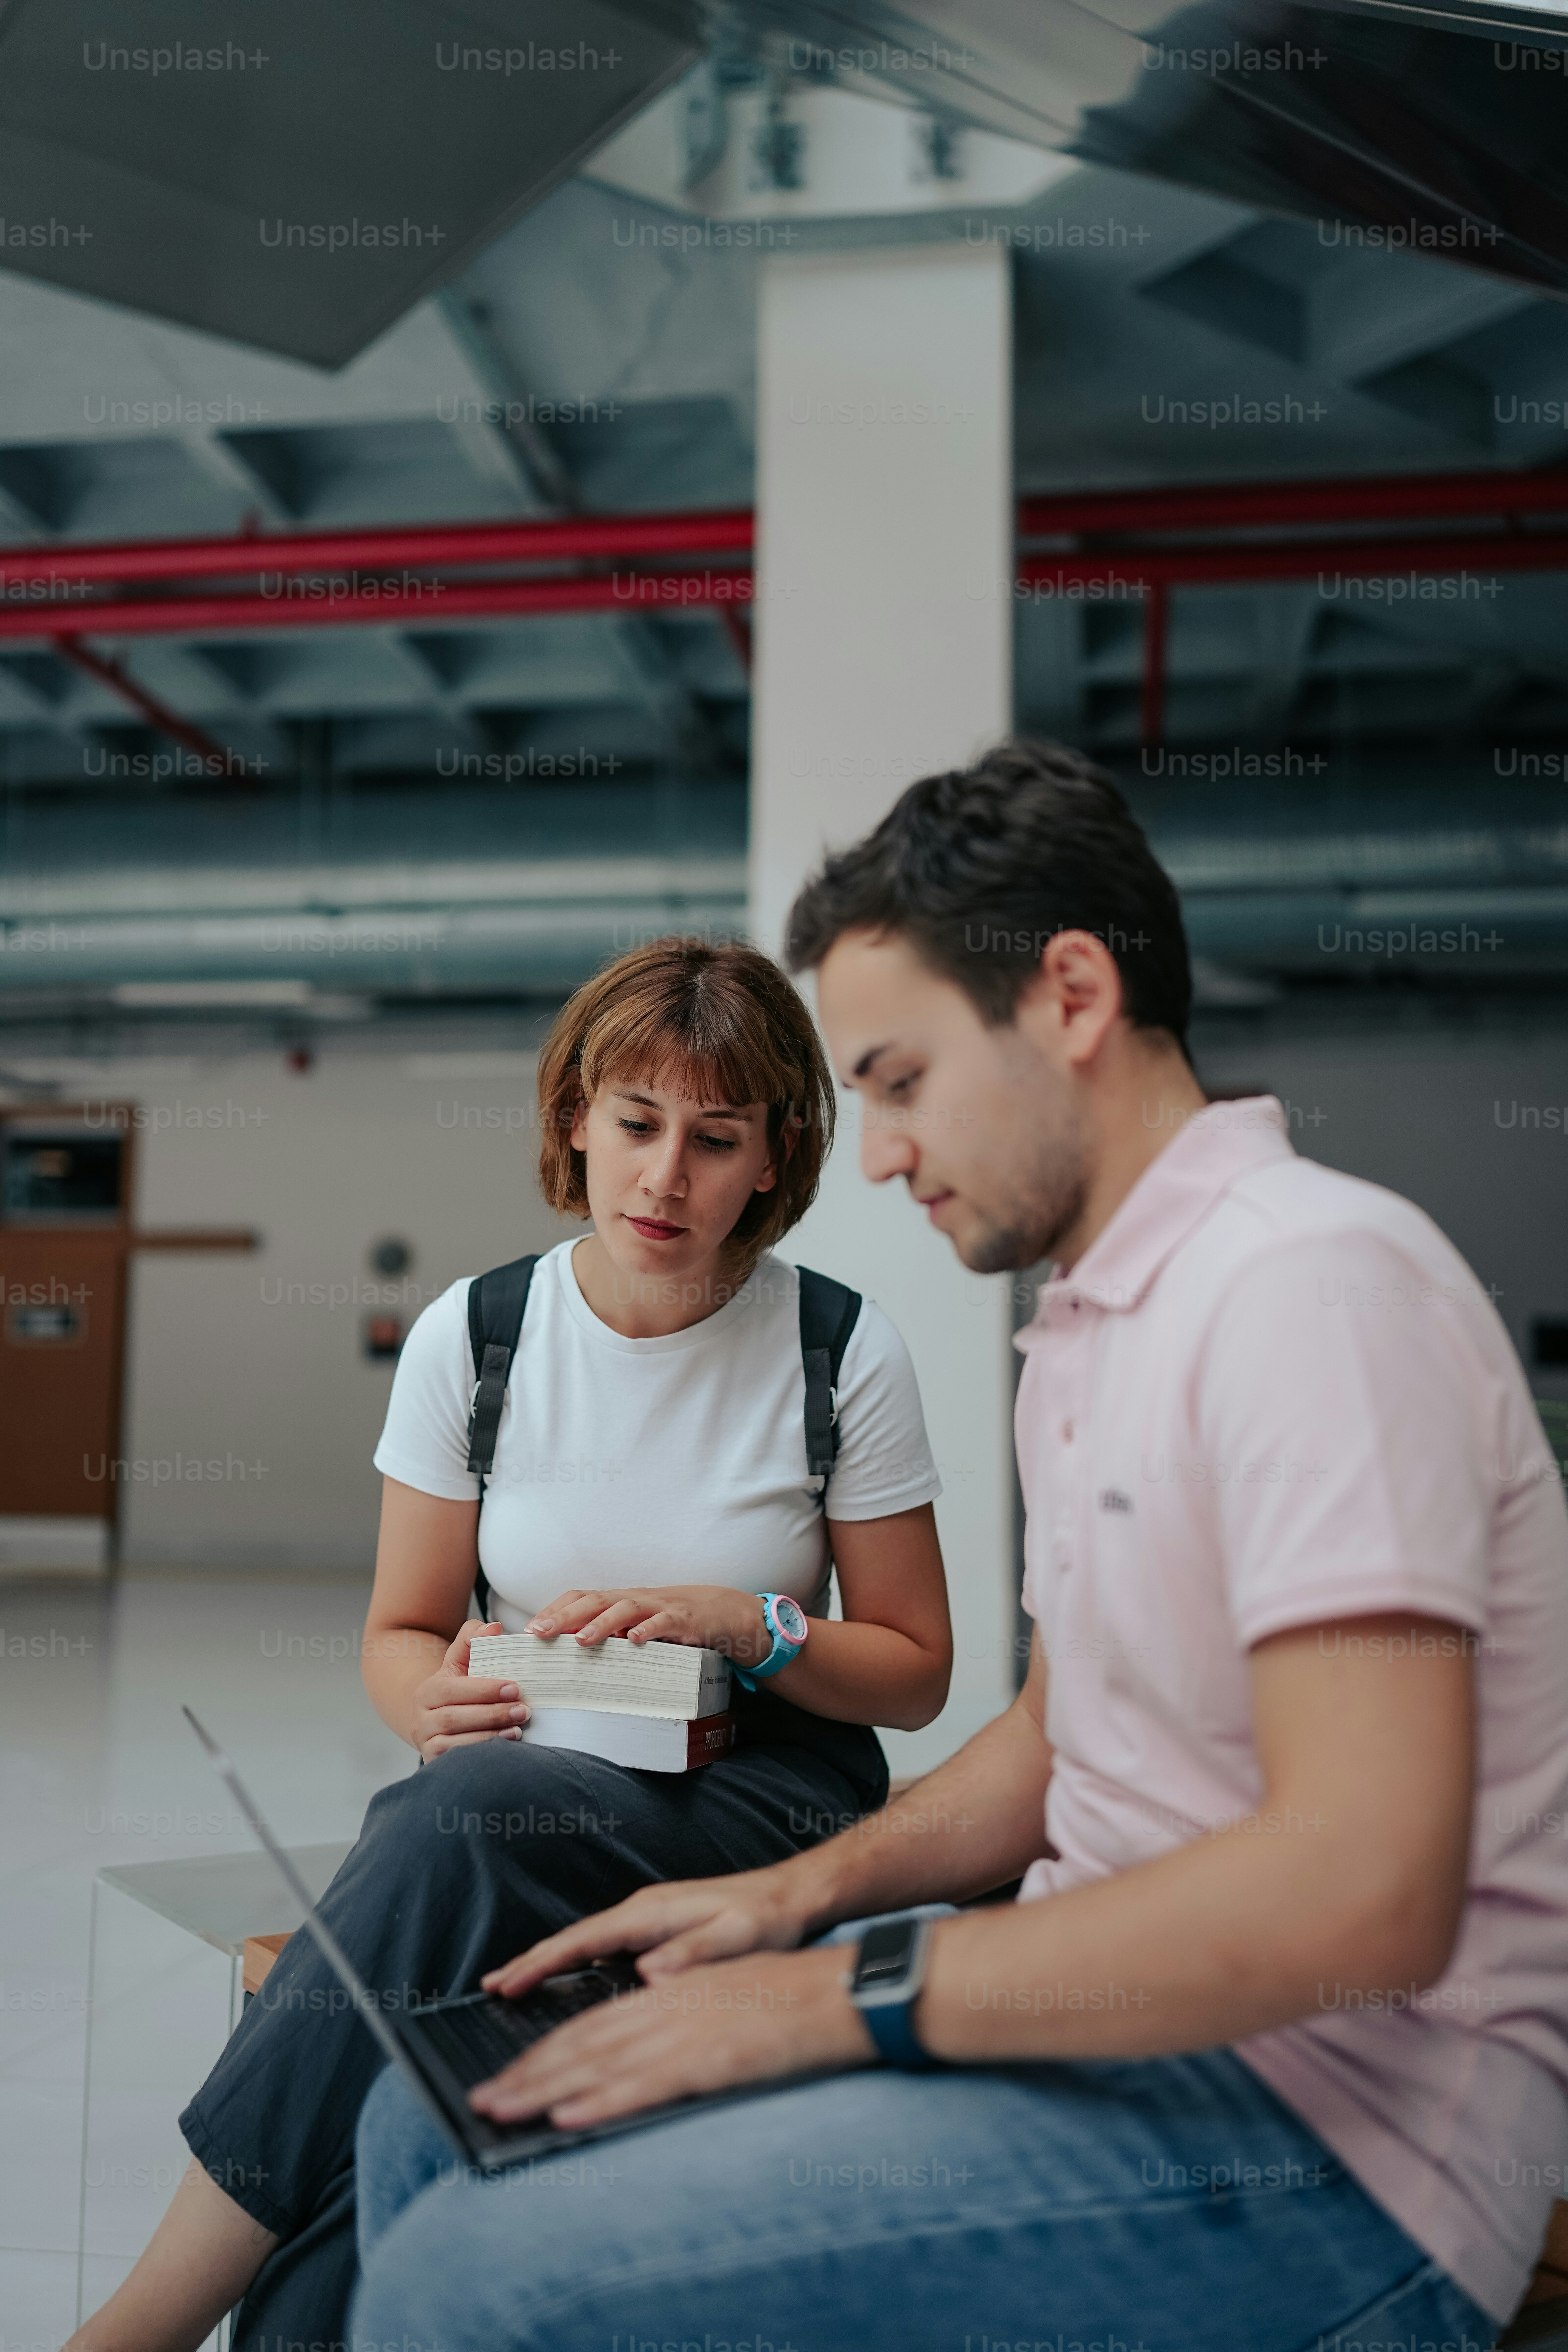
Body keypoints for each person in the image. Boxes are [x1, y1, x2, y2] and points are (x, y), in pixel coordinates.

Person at [352, 740, 1568, 2352]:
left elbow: (1364, 1894)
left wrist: (844, 1993)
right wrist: (790, 1902)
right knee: (432, 2118)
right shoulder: (1092, 1324)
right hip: (1111, 2033)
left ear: (1070, 997)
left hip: (1329, 2145)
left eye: (902, 1082)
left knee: (471, 2283)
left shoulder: (1307, 1291)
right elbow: (1053, 1746)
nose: (872, 1155)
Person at [67, 936, 951, 2352]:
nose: (667, 1177)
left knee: (445, 1831)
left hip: (762, 1795)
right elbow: (402, 1633)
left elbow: (915, 1674)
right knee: (408, 2026)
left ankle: (135, 2330)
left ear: (776, 1158)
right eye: (637, 1125)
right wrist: (439, 1702)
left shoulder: (841, 1351)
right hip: (528, 1780)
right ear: (574, 1122)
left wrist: (752, 1624)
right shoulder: (474, 1337)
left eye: (716, 1139)